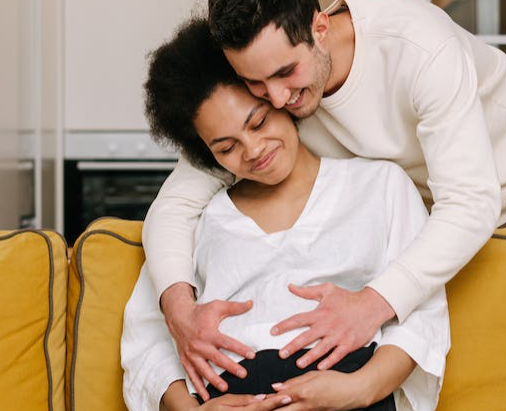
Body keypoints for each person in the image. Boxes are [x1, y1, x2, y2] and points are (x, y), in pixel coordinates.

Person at [142, 0, 506, 396]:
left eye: (286, 73)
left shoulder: (418, 44)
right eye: (257, 85)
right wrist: (182, 313)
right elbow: (175, 206)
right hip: (422, 213)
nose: (277, 98)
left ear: (320, 27)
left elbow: (470, 204)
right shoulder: (258, 69)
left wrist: (370, 303)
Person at [121, 17, 449, 411]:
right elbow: (148, 340)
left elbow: (422, 319)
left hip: (352, 397)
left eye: (259, 122)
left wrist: (359, 389)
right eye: (226, 148)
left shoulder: (381, 186)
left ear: (281, 99)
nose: (254, 150)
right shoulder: (200, 221)